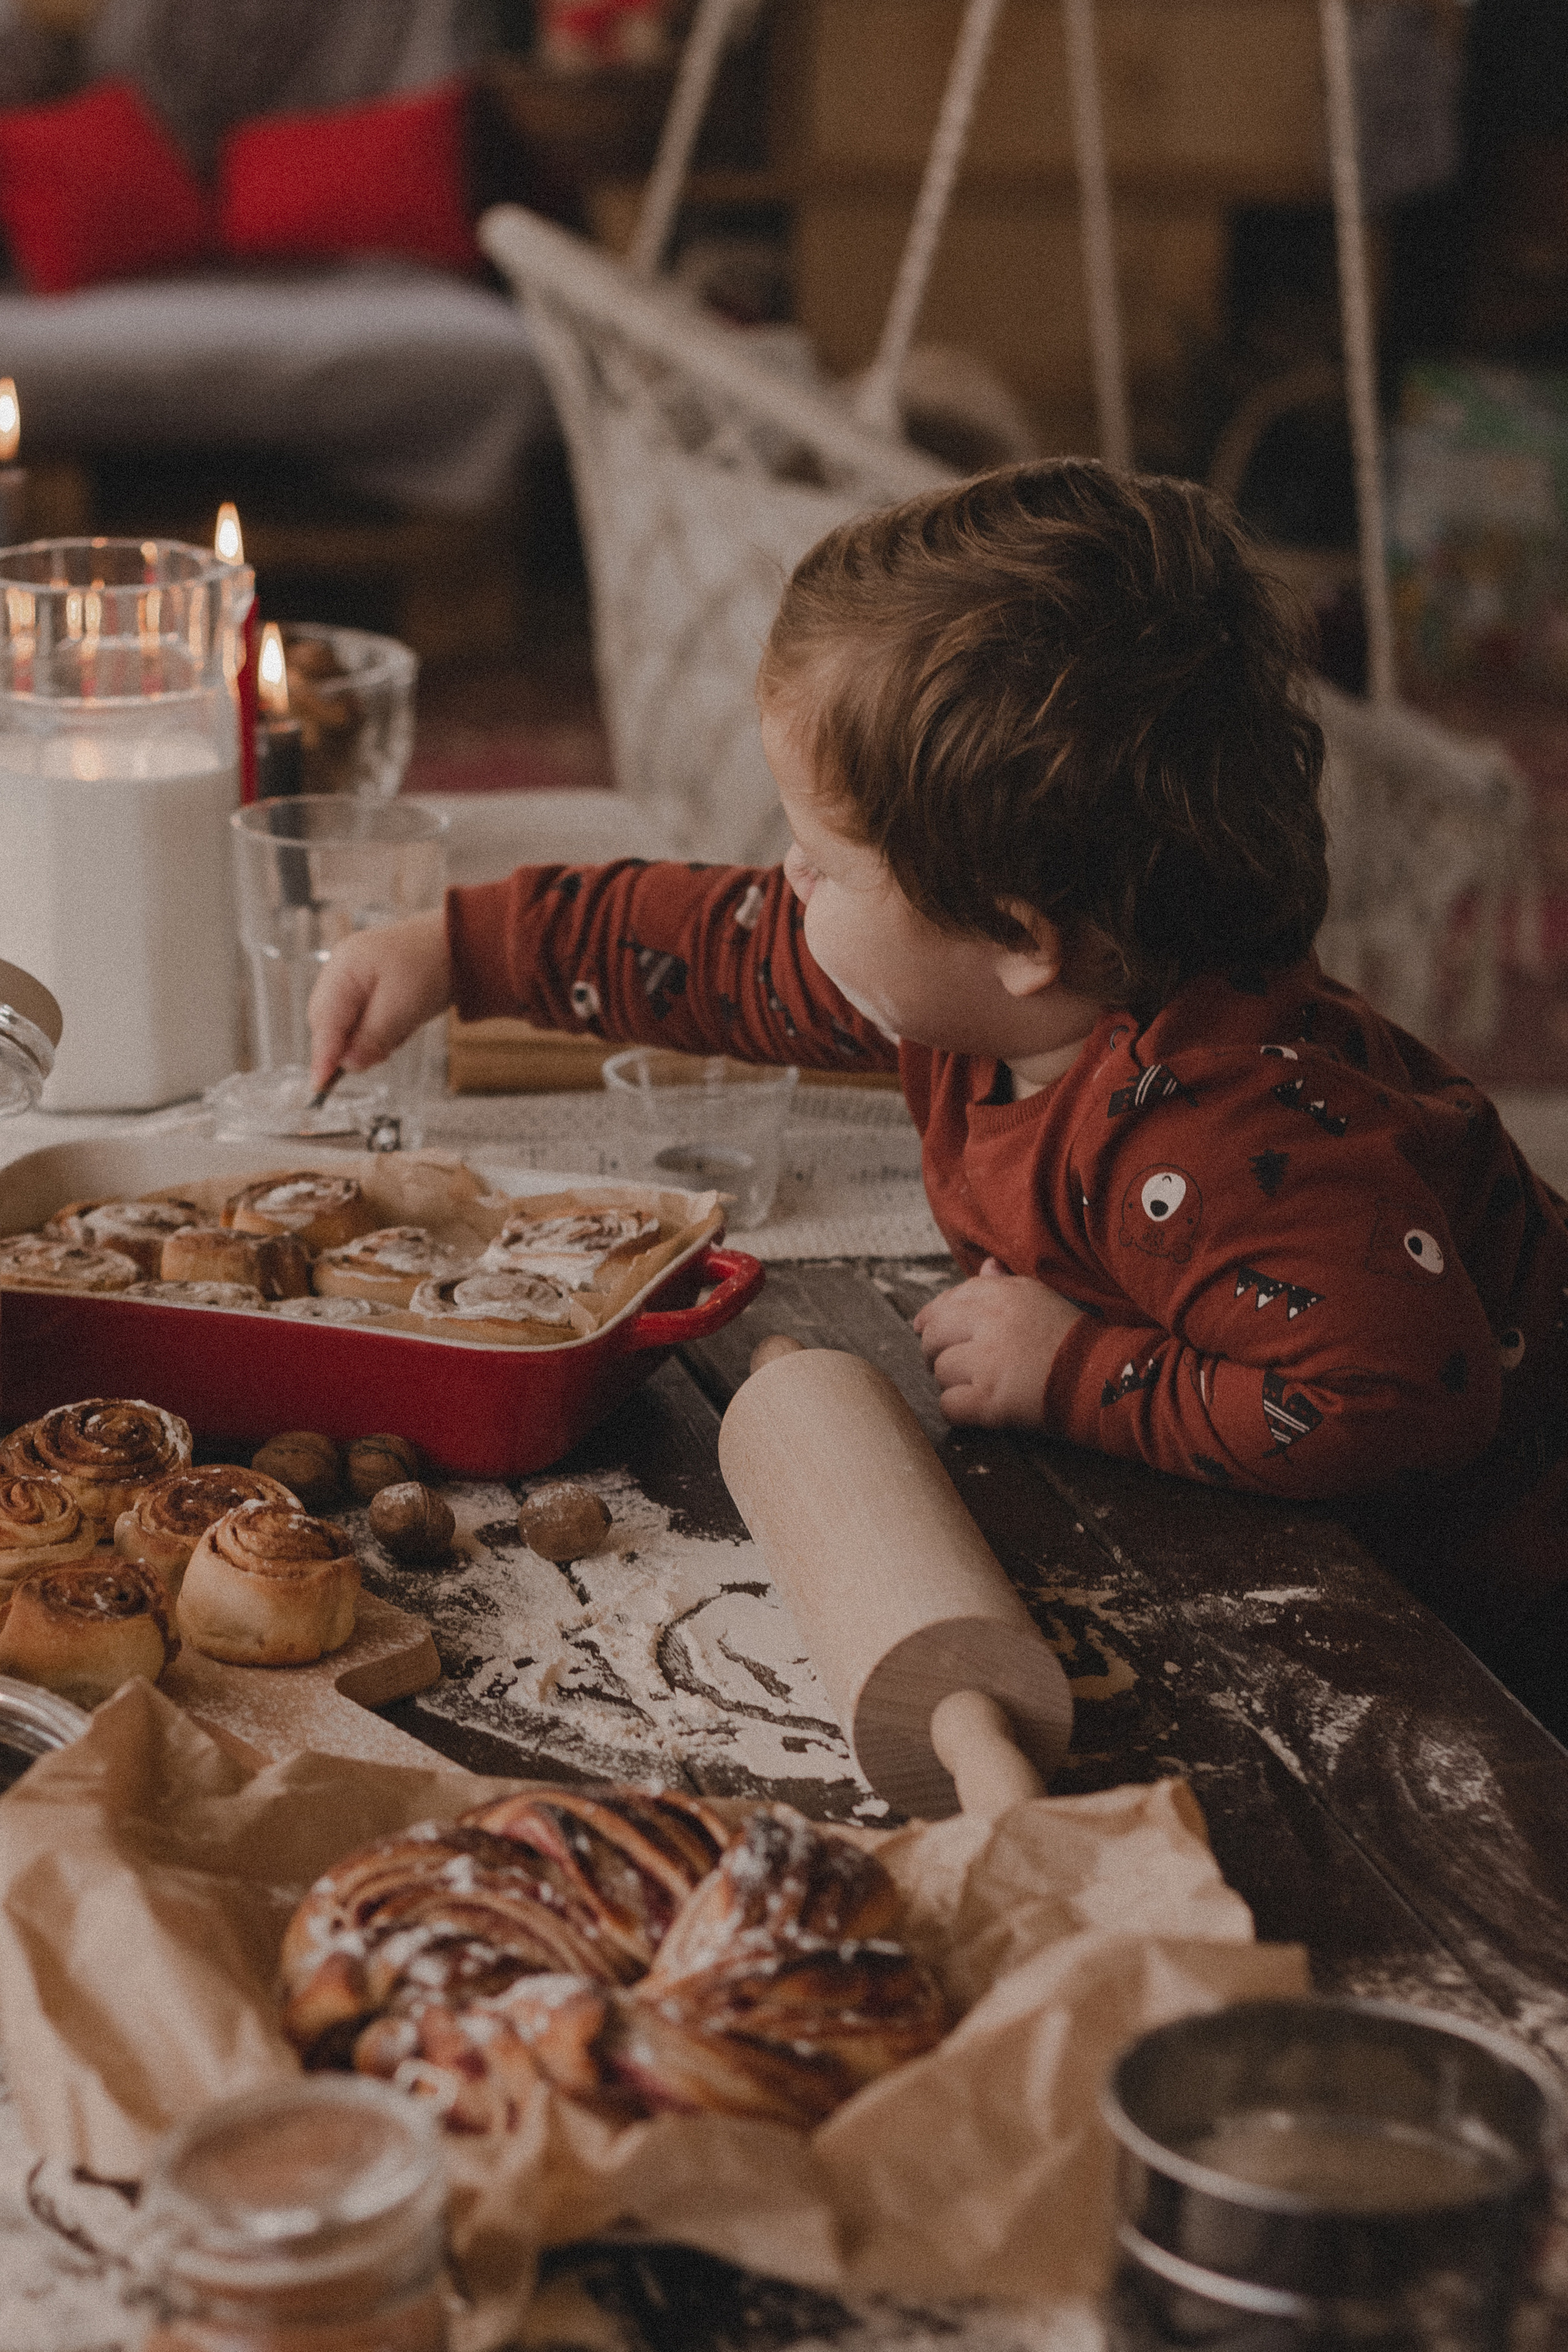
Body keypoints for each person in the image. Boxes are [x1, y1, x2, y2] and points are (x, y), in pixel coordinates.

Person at [308, 460, 1568, 1727]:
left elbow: (1394, 1401)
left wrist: (1074, 1369)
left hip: (1499, 1614)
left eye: (826, 859)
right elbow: (716, 944)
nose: (785, 880)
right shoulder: (991, 987)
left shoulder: (1227, 1132)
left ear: (1017, 935)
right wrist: (459, 951)